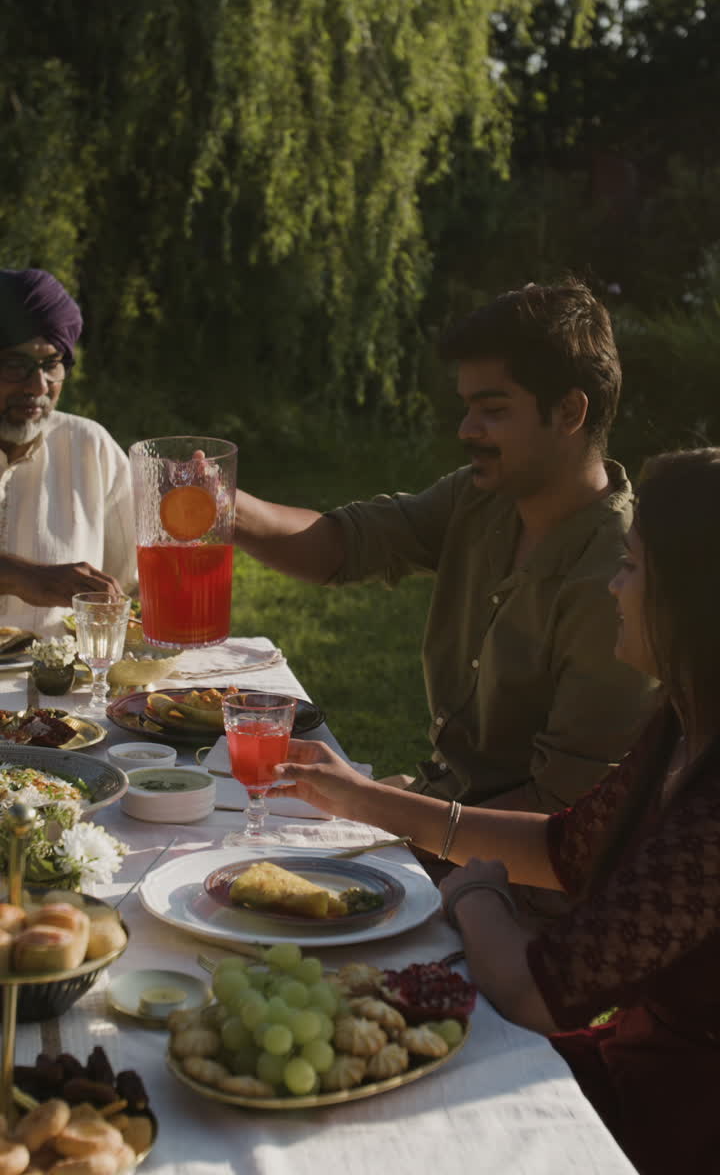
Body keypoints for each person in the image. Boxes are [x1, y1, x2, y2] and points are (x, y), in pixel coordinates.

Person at [272, 447, 720, 1175]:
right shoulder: (683, 719)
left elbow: (537, 993)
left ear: (691, 600)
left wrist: (475, 897)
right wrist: (367, 800)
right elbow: (564, 847)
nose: (613, 586)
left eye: (632, 567)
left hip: (672, 1127)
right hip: (634, 1069)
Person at [233, 280, 654, 813]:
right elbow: (342, 546)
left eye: (493, 410)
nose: (466, 429)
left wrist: (378, 806)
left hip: (515, 877)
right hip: (442, 816)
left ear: (570, 412)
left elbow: (564, 817)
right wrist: (224, 507)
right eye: (467, 407)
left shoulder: (616, 581)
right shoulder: (481, 499)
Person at [0, 269, 136, 634]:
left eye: (51, 364)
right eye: (16, 365)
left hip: (58, 683)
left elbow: (130, 586)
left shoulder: (90, 448)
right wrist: (22, 576)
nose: (38, 384)